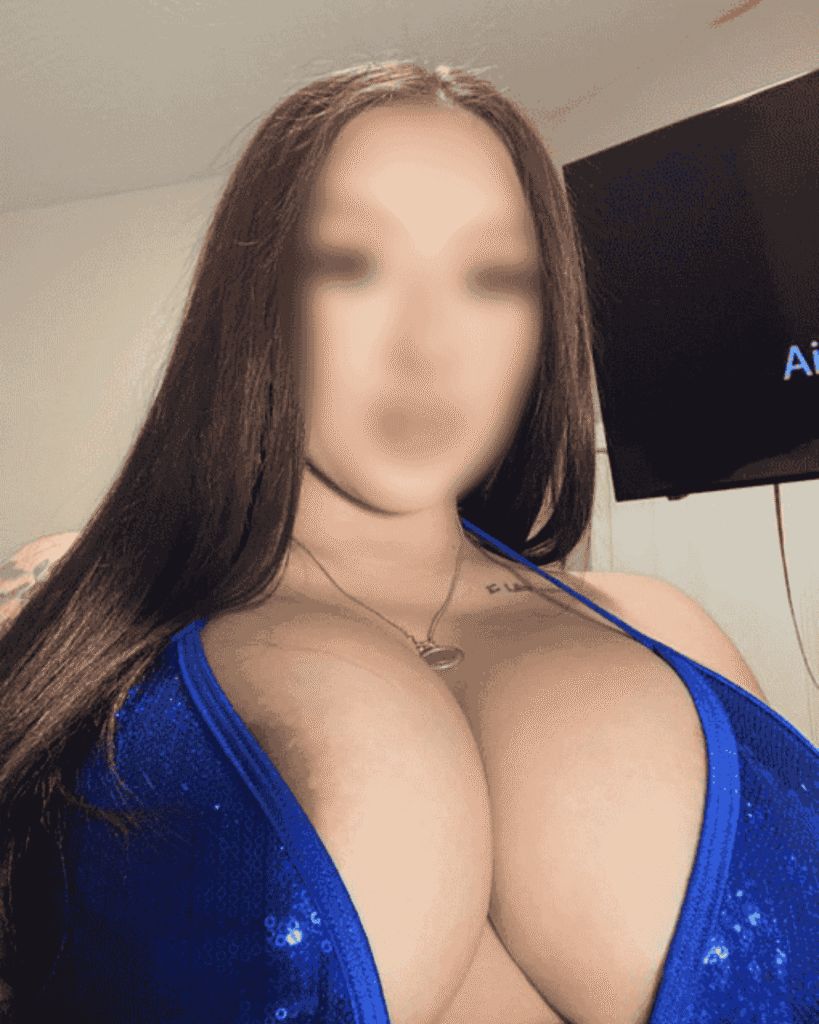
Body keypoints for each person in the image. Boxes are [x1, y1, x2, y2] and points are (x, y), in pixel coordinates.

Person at [1, 61, 817, 1024]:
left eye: (493, 278)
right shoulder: (71, 605)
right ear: (251, 301)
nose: (429, 346)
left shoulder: (666, 628)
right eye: (351, 264)